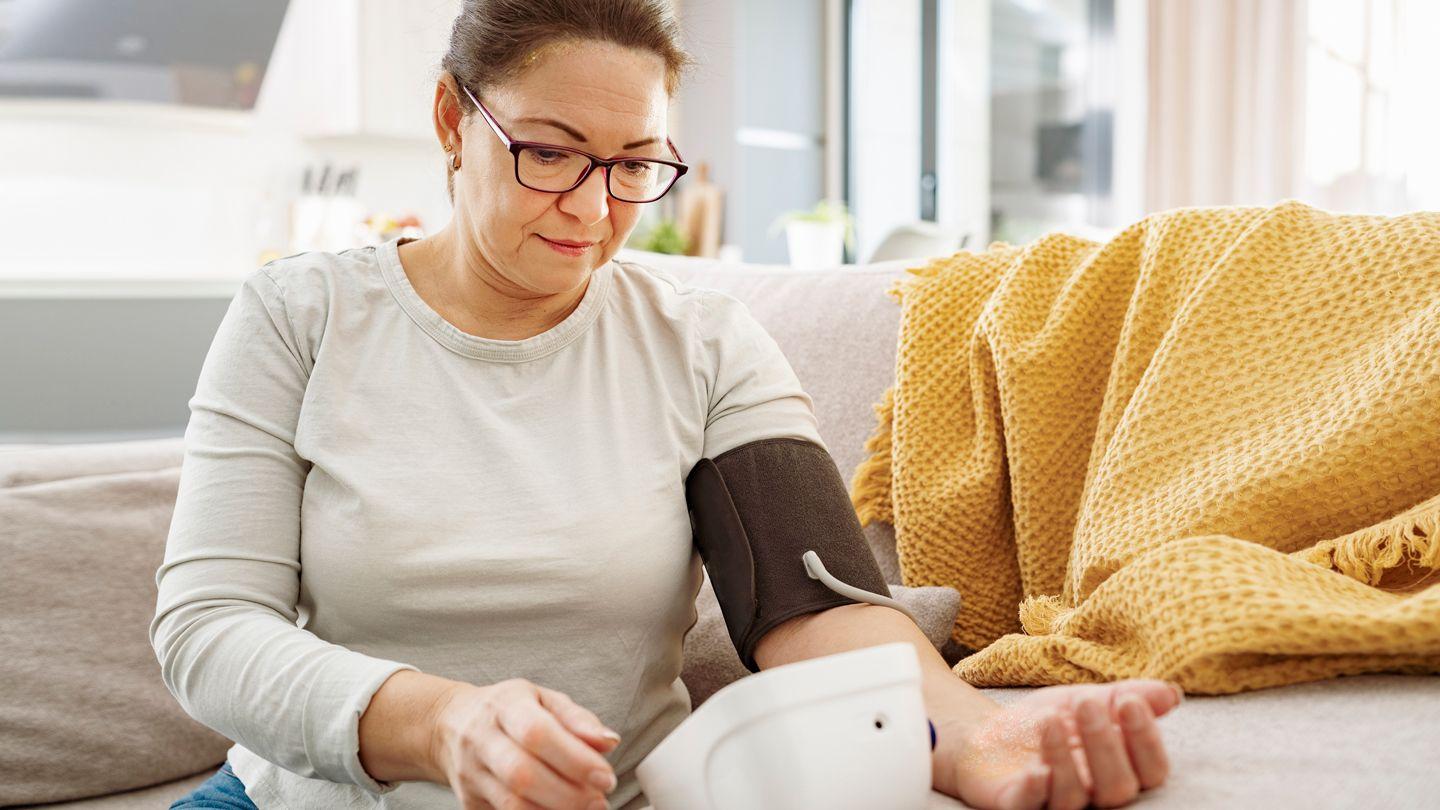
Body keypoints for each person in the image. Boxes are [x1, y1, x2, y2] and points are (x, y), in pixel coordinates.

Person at [155, 1, 1181, 808]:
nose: (595, 209)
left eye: (634, 165)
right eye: (550, 152)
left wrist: (969, 735)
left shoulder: (700, 339)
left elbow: (813, 604)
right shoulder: (299, 316)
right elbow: (209, 627)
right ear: (451, 122)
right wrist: (439, 725)